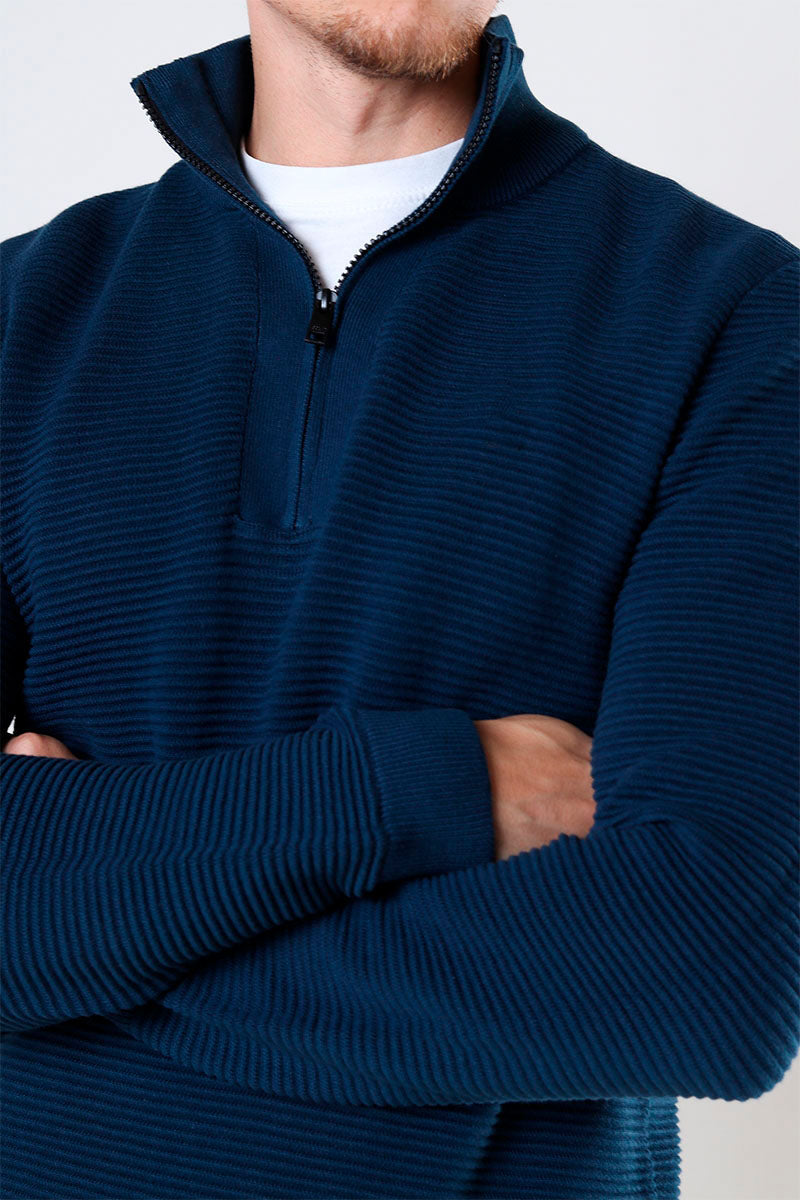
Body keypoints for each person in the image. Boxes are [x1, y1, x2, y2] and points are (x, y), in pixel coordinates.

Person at [1, 2, 797, 1197]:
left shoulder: (733, 317)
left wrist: (83, 925)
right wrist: (423, 791)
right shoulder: (24, 312)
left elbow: (707, 977)